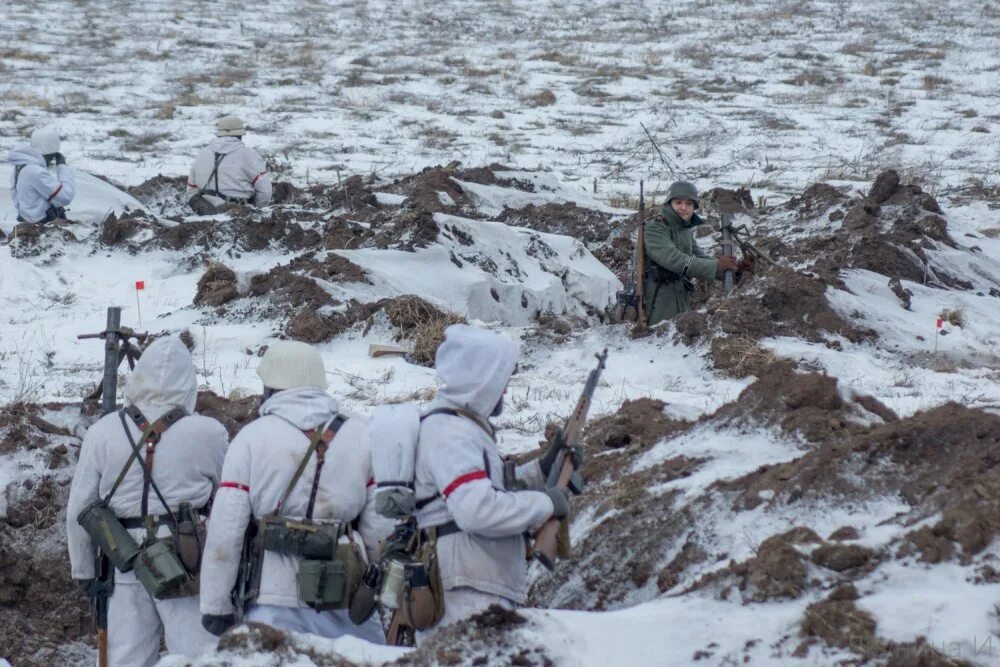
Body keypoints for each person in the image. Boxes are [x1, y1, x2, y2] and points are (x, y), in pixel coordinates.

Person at [199, 340, 388, 642]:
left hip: (272, 598)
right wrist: (378, 587)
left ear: (272, 386)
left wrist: (215, 603)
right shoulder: (361, 435)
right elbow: (378, 528)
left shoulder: (251, 438)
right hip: (346, 595)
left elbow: (227, 529)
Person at [66, 337, 229, 666]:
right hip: (187, 560)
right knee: (200, 658)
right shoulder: (209, 432)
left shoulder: (103, 431)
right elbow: (228, 503)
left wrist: (83, 571)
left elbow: (80, 509)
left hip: (124, 560)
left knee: (126, 659)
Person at [412, 324, 574, 638]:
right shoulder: (452, 432)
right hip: (466, 588)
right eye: (501, 380)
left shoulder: (462, 426)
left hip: (475, 578)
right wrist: (545, 504)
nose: (505, 390)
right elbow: (477, 509)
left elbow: (491, 489)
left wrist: (542, 469)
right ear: (482, 379)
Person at [642, 180, 741, 325]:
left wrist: (733, 270)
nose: (683, 207)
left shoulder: (684, 229)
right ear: (669, 203)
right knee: (660, 340)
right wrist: (717, 266)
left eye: (689, 204)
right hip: (657, 300)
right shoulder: (655, 228)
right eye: (678, 202)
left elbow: (699, 256)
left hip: (679, 296)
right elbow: (674, 259)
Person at [186, 115, 272, 214]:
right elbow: (265, 191)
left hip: (204, 212)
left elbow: (191, 189)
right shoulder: (249, 155)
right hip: (239, 214)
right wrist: (257, 210)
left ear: (219, 134)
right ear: (240, 135)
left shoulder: (202, 154)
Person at [6, 126, 75, 223]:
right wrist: (62, 166)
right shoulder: (35, 172)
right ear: (51, 152)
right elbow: (65, 197)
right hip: (41, 224)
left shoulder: (20, 166)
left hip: (26, 219)